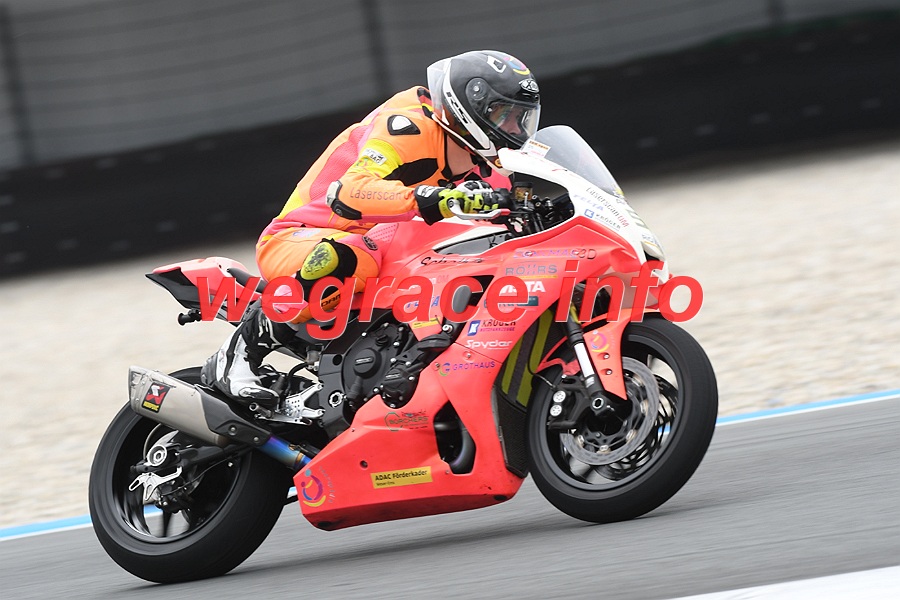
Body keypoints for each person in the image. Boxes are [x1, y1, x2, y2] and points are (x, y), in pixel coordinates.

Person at [201, 50, 542, 407]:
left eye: (522, 119)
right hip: (302, 237)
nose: (515, 131)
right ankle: (238, 353)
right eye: (504, 116)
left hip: (383, 251)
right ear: (469, 107)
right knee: (350, 255)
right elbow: (349, 191)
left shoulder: (490, 166)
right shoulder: (408, 126)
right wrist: (434, 198)